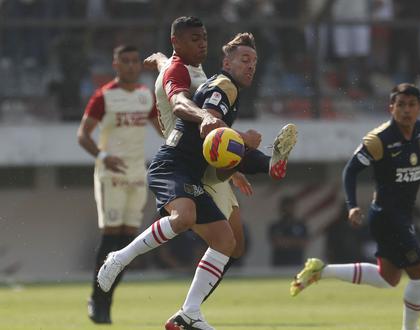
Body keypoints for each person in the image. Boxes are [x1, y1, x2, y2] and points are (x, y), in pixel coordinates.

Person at [98, 29, 295, 330]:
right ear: (227, 63)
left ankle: (188, 314)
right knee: (184, 215)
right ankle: (119, 258)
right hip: (171, 165)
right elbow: (212, 131)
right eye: (244, 59)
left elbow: (224, 152)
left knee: (226, 241)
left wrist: (270, 164)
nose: (251, 66)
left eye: (254, 61)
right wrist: (244, 140)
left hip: (194, 174)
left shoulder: (224, 88)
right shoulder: (224, 86)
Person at [290, 83, 420, 330]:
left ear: (419, 107)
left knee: (387, 278)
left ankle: (321, 271)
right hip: (387, 216)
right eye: (401, 105)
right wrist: (351, 206)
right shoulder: (379, 139)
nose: (406, 110)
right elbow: (350, 170)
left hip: (402, 215)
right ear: (391, 107)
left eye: (411, 105)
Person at [76, 45, 162, 324]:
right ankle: (98, 299)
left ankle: (105, 299)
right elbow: (83, 135)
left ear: (139, 65)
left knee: (127, 242)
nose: (130, 66)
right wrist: (103, 156)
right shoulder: (104, 97)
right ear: (115, 64)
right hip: (111, 174)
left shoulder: (144, 96)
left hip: (137, 175)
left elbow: (163, 129)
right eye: (125, 61)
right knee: (110, 236)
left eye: (135, 61)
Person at [268, 196, 309, 266]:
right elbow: (277, 242)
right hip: (279, 263)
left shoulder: (301, 225)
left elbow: (304, 243)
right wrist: (295, 242)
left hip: (296, 263)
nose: (288, 209)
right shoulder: (275, 226)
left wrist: (286, 242)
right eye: (286, 207)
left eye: (291, 207)